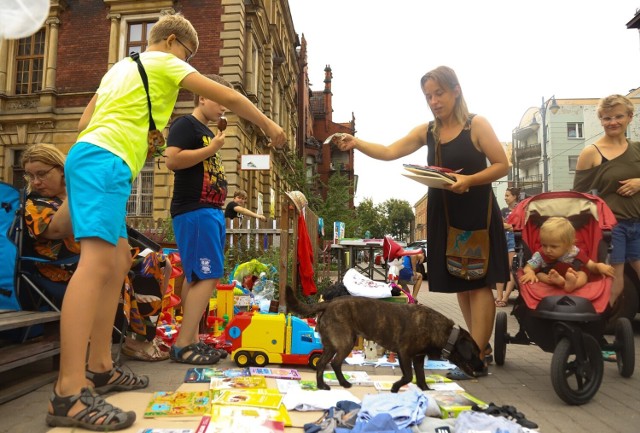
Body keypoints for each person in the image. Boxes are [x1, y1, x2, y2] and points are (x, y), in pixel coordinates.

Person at [48, 13, 285, 431]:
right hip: (105, 162)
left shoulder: (119, 69)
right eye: (188, 54)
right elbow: (228, 96)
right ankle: (68, 391)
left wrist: (140, 132)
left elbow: (86, 122)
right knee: (98, 265)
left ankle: (101, 365)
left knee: (119, 260)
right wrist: (267, 124)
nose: (186, 65)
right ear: (173, 41)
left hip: (100, 159)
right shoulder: (163, 61)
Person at [334, 65, 509, 377]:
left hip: (475, 212)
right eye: (428, 96)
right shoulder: (428, 131)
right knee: (461, 284)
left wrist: (469, 180)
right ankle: (479, 344)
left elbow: (501, 165)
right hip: (446, 213)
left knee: (479, 282)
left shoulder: (476, 125)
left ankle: (478, 356)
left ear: (456, 90)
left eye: (439, 93)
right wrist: (357, 143)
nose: (434, 101)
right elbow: (389, 151)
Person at [21, 144, 170, 363]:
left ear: (62, 169)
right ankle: (132, 341)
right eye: (30, 175)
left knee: (155, 261)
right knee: (115, 270)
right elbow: (56, 230)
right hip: (60, 267)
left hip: (92, 257)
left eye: (42, 174)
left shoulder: (79, 192)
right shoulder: (35, 203)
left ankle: (139, 335)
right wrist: (78, 185)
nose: (35, 182)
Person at [165, 74, 235, 364]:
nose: (224, 108)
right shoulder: (185, 124)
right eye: (220, 100)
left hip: (210, 211)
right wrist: (212, 149)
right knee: (208, 274)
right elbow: (172, 159)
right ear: (202, 96)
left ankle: (192, 338)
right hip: (195, 210)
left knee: (198, 276)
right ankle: (183, 344)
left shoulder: (206, 131)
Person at [573, 94, 640, 307]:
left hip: (637, 224)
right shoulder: (591, 153)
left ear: (630, 116)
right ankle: (597, 328)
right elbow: (578, 195)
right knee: (616, 282)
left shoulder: (637, 148)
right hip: (613, 227)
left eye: (618, 116)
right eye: (606, 118)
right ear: (600, 120)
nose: (613, 122)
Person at [519, 217, 615, 292]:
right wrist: (530, 272)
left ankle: (572, 285)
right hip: (550, 276)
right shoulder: (540, 254)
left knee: (583, 274)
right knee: (539, 275)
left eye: (553, 246)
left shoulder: (574, 252)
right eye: (544, 245)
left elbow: (591, 266)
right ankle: (556, 281)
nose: (548, 250)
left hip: (572, 275)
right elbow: (528, 267)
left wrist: (599, 266)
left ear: (568, 245)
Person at [495, 187, 520, 307]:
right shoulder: (503, 210)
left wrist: (508, 225)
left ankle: (505, 298)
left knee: (512, 269)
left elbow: (520, 226)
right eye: (505, 196)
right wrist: (511, 226)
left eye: (507, 195)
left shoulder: (521, 209)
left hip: (514, 241)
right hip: (503, 240)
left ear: (514, 196)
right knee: (500, 269)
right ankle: (499, 297)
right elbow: (499, 225)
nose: (505, 198)